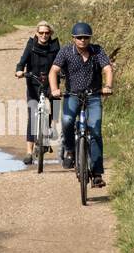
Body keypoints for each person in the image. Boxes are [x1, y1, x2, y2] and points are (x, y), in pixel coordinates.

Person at [48, 21, 113, 187]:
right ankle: (70, 150)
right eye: (79, 37)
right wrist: (55, 89)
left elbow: (107, 68)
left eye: (86, 37)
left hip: (93, 96)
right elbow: (54, 71)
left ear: (90, 38)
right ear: (73, 39)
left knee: (96, 131)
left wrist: (108, 86)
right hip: (72, 95)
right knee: (68, 121)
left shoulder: (97, 51)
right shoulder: (66, 52)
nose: (83, 40)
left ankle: (97, 173)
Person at [13, 21, 60, 163]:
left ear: (50, 34)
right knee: (32, 115)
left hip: (51, 82)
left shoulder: (55, 47)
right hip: (33, 82)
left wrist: (63, 73)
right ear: (36, 33)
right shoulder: (31, 45)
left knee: (55, 103)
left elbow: (61, 63)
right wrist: (19, 70)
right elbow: (22, 61)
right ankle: (29, 152)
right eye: (41, 33)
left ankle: (52, 127)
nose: (44, 35)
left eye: (47, 33)